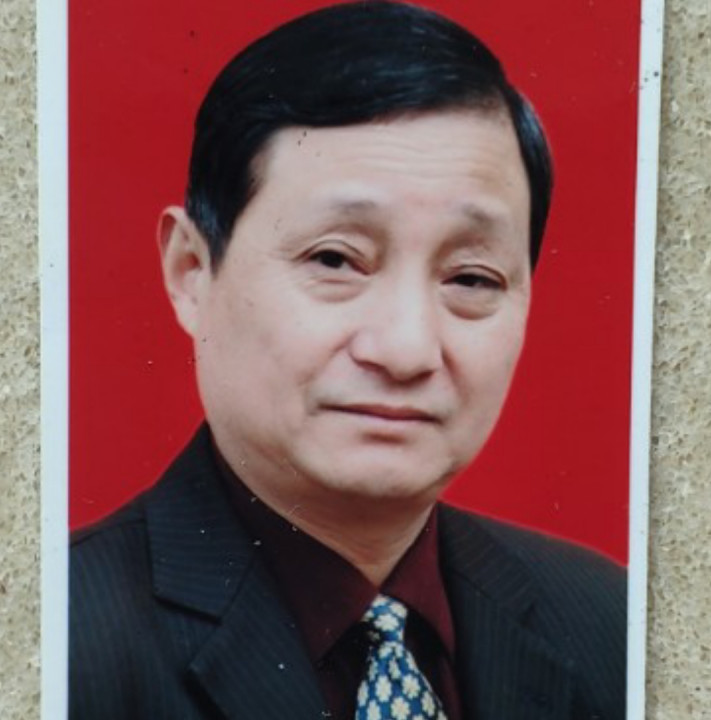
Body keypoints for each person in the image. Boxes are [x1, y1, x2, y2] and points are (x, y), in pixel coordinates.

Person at [70, 3, 626, 719]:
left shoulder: (613, 627)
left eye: (471, 277)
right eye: (335, 259)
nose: (406, 350)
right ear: (192, 271)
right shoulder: (53, 643)